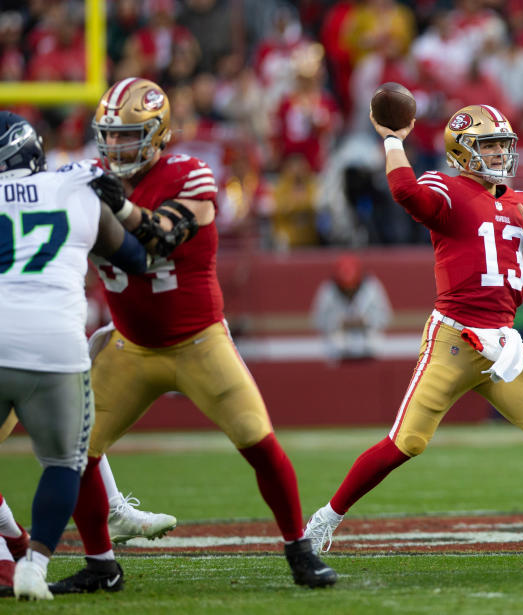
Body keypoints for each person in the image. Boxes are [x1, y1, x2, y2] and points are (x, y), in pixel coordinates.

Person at [303, 104, 523, 562]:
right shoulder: (447, 189)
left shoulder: (518, 203)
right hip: (453, 340)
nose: (499, 154)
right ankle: (324, 521)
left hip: (502, 344)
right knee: (405, 444)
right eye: (489, 145)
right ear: (463, 149)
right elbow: (405, 193)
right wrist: (393, 140)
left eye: (503, 145)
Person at [49, 78, 337, 593]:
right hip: (132, 346)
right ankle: (101, 565)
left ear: (158, 135)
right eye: (109, 136)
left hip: (198, 340)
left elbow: (161, 236)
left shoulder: (191, 174)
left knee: (258, 441)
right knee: (75, 453)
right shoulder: (88, 180)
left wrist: (117, 206)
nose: (116, 147)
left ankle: (299, 548)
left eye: (129, 135)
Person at [0, 111, 153, 599]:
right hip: (56, 347)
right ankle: (33, 562)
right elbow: (134, 256)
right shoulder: (76, 187)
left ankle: (11, 550)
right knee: (65, 462)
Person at [310, 253, 393, 360]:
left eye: (353, 287)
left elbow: (386, 317)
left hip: (368, 337)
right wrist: (338, 322)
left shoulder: (371, 288)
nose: (349, 291)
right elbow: (317, 321)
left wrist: (366, 321)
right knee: (324, 348)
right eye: (345, 288)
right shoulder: (328, 290)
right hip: (337, 339)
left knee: (380, 345)